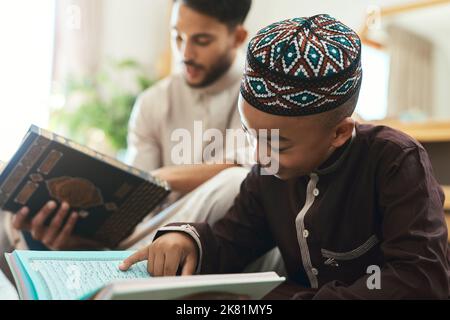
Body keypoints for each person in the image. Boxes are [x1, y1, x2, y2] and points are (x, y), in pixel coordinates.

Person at [120, 15, 450, 299]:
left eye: (278, 145)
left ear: (339, 133)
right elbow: (231, 240)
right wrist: (186, 241)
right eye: (251, 135)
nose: (259, 157)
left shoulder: (395, 161)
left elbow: (419, 279)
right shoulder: (267, 175)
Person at [2, 0, 270, 267]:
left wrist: (159, 178)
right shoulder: (152, 102)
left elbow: (257, 169)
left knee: (234, 183)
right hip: (155, 231)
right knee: (9, 219)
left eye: (201, 41)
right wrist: (79, 233)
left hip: (220, 227)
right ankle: (105, 256)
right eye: (177, 36)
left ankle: (112, 262)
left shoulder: (259, 96)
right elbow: (135, 207)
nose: (185, 53)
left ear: (237, 38)